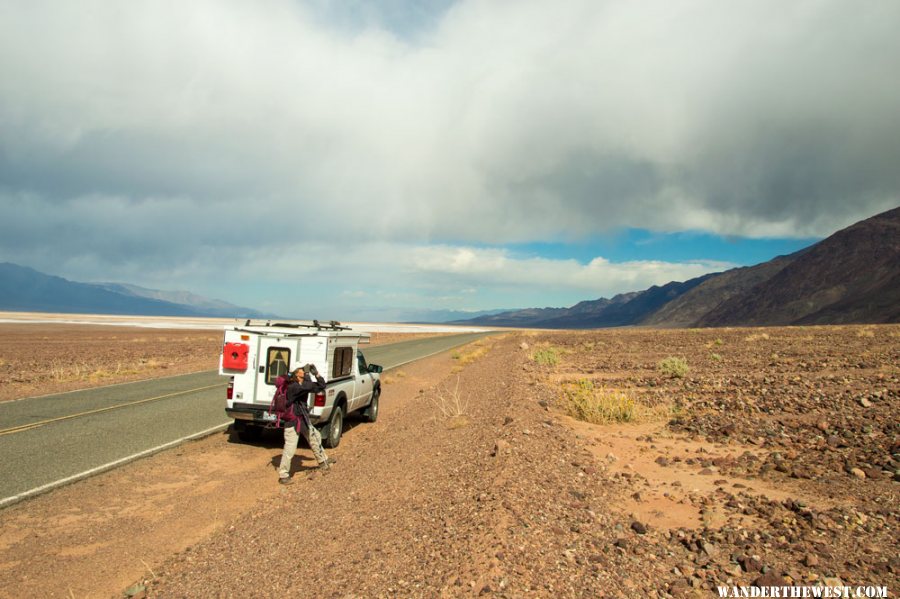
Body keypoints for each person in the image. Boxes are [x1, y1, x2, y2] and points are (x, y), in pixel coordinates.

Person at [277, 364, 335, 484]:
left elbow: (320, 386)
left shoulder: (299, 385)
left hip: (301, 418)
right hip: (293, 421)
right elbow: (311, 386)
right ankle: (283, 475)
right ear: (296, 374)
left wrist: (316, 374)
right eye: (301, 370)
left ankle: (323, 460)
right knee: (290, 448)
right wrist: (313, 375)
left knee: (315, 437)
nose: (304, 371)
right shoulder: (294, 387)